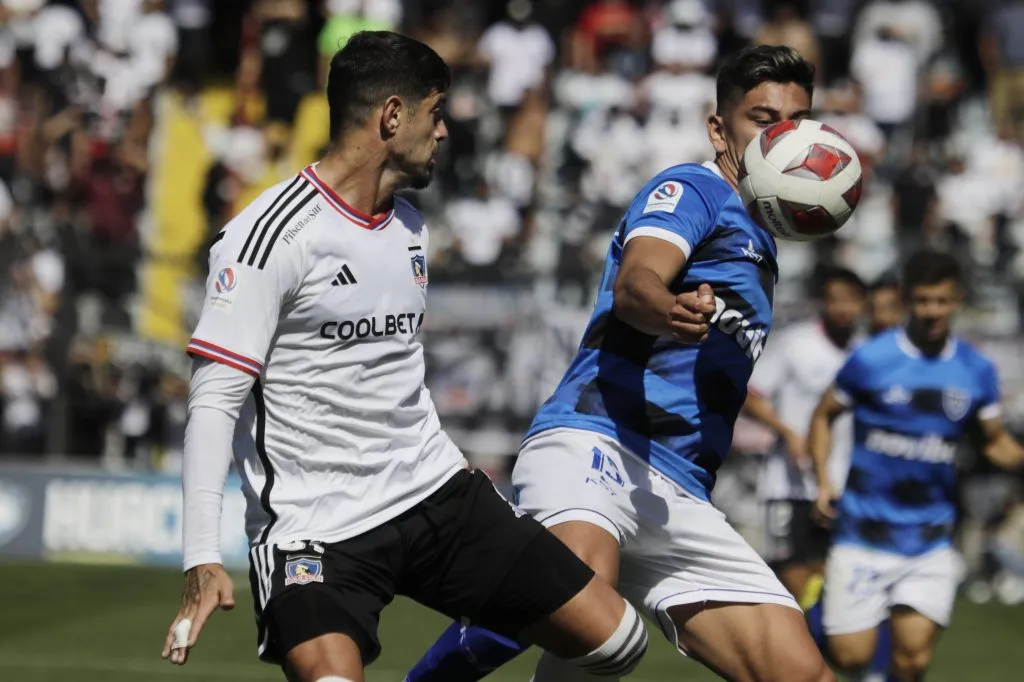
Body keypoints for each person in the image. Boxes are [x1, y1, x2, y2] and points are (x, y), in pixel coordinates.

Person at [159, 32, 652, 682]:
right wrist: (201, 555)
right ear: (392, 116)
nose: (444, 132)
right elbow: (214, 402)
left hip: (434, 492)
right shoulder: (270, 237)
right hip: (317, 526)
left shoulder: (410, 226)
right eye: (435, 113)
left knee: (618, 640)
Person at [406, 45, 834, 682]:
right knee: (578, 594)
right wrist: (667, 309)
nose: (781, 139)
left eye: (795, 124)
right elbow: (637, 285)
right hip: (596, 447)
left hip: (680, 491)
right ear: (719, 128)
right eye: (762, 119)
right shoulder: (692, 190)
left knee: (800, 674)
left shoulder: (762, 236)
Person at [808, 250, 1024, 682]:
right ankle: (817, 606)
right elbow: (823, 415)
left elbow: (995, 442)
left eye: (941, 301)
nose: (932, 311)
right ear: (908, 300)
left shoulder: (975, 370)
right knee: (852, 657)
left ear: (958, 300)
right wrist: (824, 480)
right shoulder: (873, 359)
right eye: (923, 301)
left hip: (929, 540)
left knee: (912, 659)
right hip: (863, 533)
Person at [743, 267, 866, 603]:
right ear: (822, 303)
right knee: (793, 580)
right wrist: (788, 432)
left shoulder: (864, 354)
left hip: (842, 484)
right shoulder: (796, 344)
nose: (842, 308)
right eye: (834, 300)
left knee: (833, 583)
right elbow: (751, 395)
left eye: (850, 301)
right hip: (789, 482)